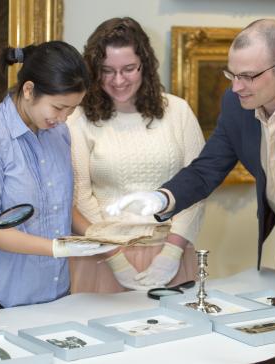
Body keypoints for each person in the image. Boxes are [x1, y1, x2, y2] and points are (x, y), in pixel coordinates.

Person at [108, 20, 275, 309]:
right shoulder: (236, 102)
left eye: (248, 76)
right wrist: (161, 197)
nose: (236, 86)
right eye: (232, 74)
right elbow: (208, 167)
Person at [0, 41, 114, 309]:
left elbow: (62, 204)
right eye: (58, 107)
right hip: (4, 299)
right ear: (29, 90)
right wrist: (57, 248)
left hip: (57, 292)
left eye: (72, 109)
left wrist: (99, 237)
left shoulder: (59, 133)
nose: (64, 118)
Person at [68, 17, 205, 293]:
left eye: (129, 69)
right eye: (107, 71)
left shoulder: (178, 112)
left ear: (145, 64)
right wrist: (115, 257)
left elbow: (198, 185)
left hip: (172, 253)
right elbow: (79, 195)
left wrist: (171, 254)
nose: (118, 80)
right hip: (102, 256)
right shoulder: (78, 118)